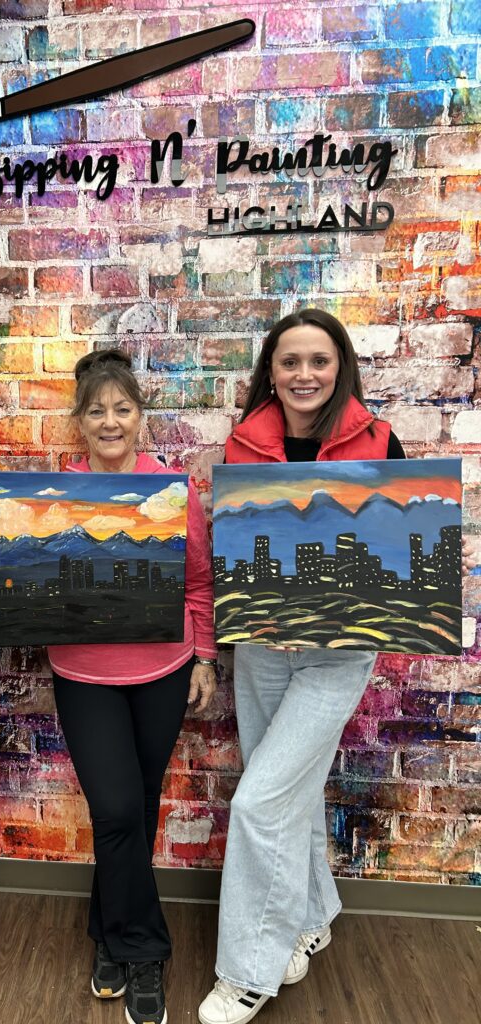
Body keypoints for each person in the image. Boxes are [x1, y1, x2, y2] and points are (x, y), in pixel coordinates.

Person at [198, 308, 407, 1024]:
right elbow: (229, 549)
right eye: (290, 362)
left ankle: (248, 970)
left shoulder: (380, 440)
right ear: (272, 371)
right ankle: (314, 913)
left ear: (339, 365)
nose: (305, 375)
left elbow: (400, 556)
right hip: (262, 646)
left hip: (337, 653)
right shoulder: (244, 444)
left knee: (259, 802)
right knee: (288, 793)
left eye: (319, 361)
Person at [48, 349, 218, 1024]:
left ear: (140, 417)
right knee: (117, 811)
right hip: (83, 674)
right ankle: (144, 951)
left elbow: (201, 581)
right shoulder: (53, 496)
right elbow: (32, 578)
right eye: (97, 411)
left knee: (136, 812)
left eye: (123, 408)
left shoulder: (174, 492)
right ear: (80, 422)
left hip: (164, 672)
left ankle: (108, 936)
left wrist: (204, 657)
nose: (111, 421)